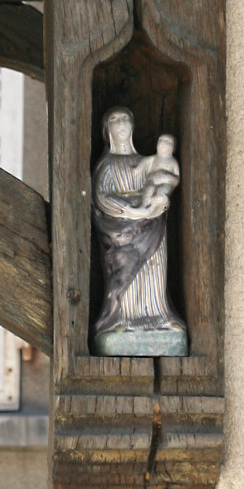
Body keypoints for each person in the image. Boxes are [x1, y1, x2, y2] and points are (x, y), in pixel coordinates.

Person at [91, 107, 187, 356]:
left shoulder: (146, 161)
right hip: (122, 229)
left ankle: (157, 315)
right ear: (107, 130)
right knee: (125, 271)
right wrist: (129, 211)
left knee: (154, 268)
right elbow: (102, 198)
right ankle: (123, 318)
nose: (120, 124)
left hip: (152, 224)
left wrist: (154, 207)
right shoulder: (106, 164)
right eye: (114, 120)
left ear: (133, 126)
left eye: (125, 119)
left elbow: (162, 182)